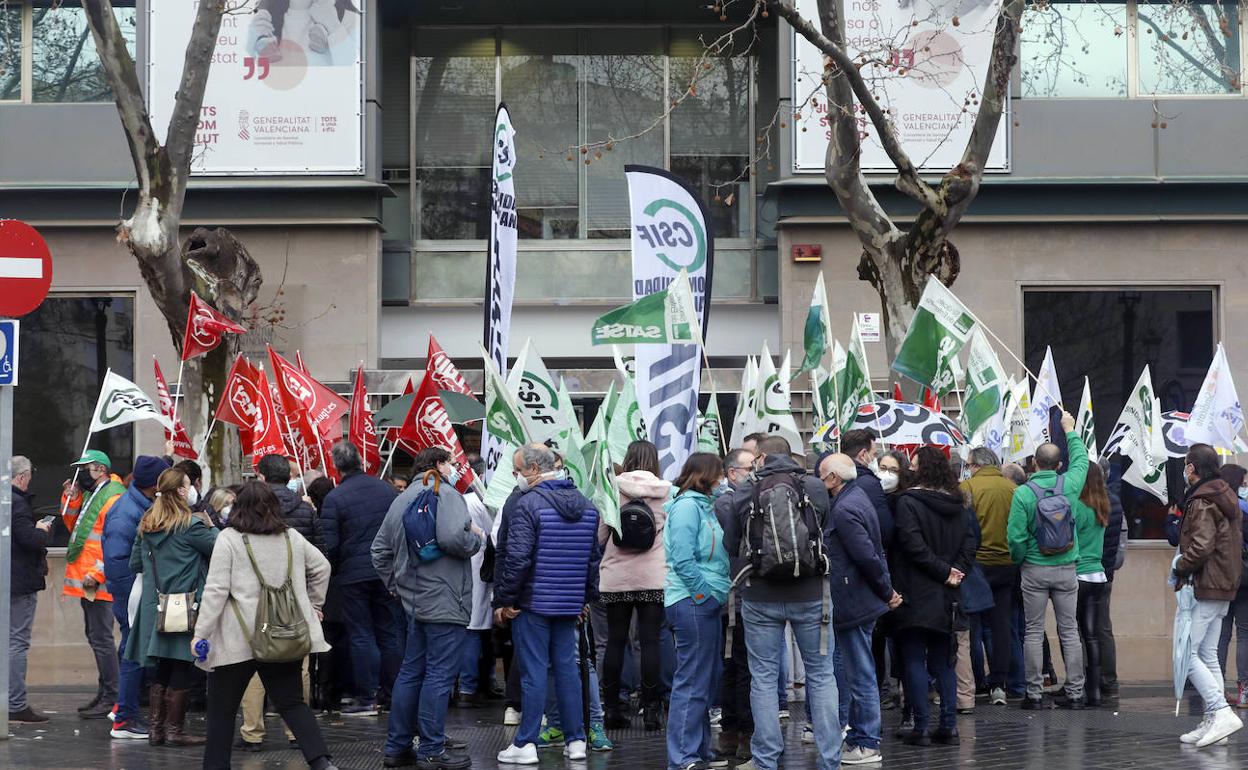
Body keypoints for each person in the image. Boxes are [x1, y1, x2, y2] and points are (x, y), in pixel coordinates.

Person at [193, 481, 337, 770]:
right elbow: (322, 567)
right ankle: (321, 762)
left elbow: (215, 591)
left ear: (238, 508)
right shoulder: (291, 537)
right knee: (293, 703)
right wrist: (313, 604)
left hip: (238, 639)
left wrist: (201, 634)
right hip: (284, 635)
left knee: (222, 711)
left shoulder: (229, 539)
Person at [717, 434, 838, 770]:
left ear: (761, 459)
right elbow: (823, 529)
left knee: (764, 679)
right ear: (792, 456)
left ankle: (766, 758)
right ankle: (831, 759)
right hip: (812, 592)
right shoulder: (814, 487)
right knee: (821, 675)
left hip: (760, 595)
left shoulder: (746, 489)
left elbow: (731, 543)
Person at [372, 447, 483, 769]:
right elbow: (453, 538)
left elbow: (379, 550)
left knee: (411, 672)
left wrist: (397, 586)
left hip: (415, 600)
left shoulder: (401, 498)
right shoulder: (444, 492)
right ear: (437, 465)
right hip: (447, 597)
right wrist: (474, 539)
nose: (452, 468)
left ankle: (397, 747)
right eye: (449, 462)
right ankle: (432, 749)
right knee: (438, 675)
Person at [494, 444, 602, 766]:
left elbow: (517, 558)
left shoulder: (528, 506)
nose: (516, 476)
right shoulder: (586, 505)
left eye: (518, 470)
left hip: (533, 602)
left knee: (534, 672)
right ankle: (576, 739)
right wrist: (584, 599)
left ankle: (526, 742)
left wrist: (505, 600)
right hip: (569, 603)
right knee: (568, 670)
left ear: (535, 470)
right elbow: (592, 561)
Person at [889, 446, 975, 746]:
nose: (909, 469)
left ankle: (922, 726)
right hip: (948, 595)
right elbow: (970, 544)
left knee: (913, 658)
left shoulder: (907, 502)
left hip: (915, 591)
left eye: (913, 465)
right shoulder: (960, 503)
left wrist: (944, 571)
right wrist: (955, 572)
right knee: (943, 661)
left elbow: (912, 545)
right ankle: (949, 725)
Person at [127, 467, 218, 746]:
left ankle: (156, 730)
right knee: (181, 664)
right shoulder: (191, 526)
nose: (191, 489)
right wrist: (211, 524)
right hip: (185, 604)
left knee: (162, 667)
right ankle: (175, 731)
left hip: (156, 605)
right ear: (180, 491)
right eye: (188, 484)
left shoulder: (147, 524)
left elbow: (135, 564)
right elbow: (222, 550)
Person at [820, 453, 900, 765]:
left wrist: (887, 590)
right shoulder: (857, 498)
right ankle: (859, 738)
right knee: (859, 670)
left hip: (855, 599)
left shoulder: (845, 508)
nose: (820, 480)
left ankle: (867, 741)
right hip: (860, 597)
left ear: (834, 479)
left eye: (823, 474)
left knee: (861, 673)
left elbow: (867, 555)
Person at [1007, 411, 1087, 710]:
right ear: (1059, 465)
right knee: (1069, 631)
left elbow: (1015, 538)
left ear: (1034, 464)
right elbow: (1082, 460)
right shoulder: (1070, 483)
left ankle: (1034, 694)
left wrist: (1021, 559)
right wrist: (1070, 429)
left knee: (1032, 630)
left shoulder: (1023, 493)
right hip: (1067, 568)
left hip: (1034, 569)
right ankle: (1076, 693)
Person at [320, 441, 403, 717]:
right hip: (386, 572)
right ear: (360, 460)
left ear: (336, 465)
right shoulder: (387, 490)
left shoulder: (335, 497)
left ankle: (367, 696)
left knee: (361, 635)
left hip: (353, 576)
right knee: (389, 633)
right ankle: (393, 694)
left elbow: (330, 544)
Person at [663, 452, 731, 770]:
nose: (723, 480)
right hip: (692, 601)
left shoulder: (703, 506)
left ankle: (698, 750)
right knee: (692, 680)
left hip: (702, 600)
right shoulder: (689, 507)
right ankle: (683, 756)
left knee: (702, 680)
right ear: (706, 476)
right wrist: (705, 594)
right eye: (720, 474)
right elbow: (683, 558)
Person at [1174, 444, 1245, 747]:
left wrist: (1180, 566)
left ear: (1192, 468)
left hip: (1205, 584)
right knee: (1207, 656)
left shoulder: (1202, 500)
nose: (1184, 470)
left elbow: (1201, 545)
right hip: (1223, 585)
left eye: (1186, 465)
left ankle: (1219, 711)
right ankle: (1215, 722)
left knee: (1187, 656)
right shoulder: (1224, 495)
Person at [599, 440, 671, 731]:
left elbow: (600, 536)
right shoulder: (666, 492)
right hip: (653, 575)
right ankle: (652, 709)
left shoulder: (612, 489)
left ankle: (613, 708)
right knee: (651, 641)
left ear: (627, 459)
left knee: (615, 641)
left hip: (616, 577)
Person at [102, 454, 171, 739]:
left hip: (135, 593)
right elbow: (118, 562)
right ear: (153, 484)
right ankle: (125, 719)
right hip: (132, 595)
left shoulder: (140, 506)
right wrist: (137, 598)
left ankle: (123, 706)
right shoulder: (126, 513)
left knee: (129, 650)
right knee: (133, 651)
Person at [60, 449, 126, 720]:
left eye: (84, 469)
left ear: (99, 469)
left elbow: (113, 541)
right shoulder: (95, 494)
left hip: (96, 581)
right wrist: (71, 497)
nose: (80, 475)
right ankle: (105, 693)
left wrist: (97, 573)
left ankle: (112, 696)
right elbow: (75, 527)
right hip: (89, 580)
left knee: (101, 639)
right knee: (96, 637)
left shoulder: (112, 496)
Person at [960, 446, 1018, 706]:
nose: (968, 468)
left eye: (969, 464)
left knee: (971, 626)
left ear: (976, 465)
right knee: (1001, 625)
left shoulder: (968, 488)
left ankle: (976, 681)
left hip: (977, 565)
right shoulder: (1012, 488)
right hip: (1007, 564)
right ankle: (1000, 683)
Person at [717, 448, 756, 760]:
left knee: (733, 667)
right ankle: (743, 732)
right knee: (741, 668)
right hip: (738, 597)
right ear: (733, 473)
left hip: (733, 596)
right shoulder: (732, 503)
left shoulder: (728, 501)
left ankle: (732, 732)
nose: (754, 472)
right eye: (749, 467)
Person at [9, 456, 51, 725]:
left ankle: (10, 700)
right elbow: (29, 539)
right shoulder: (18, 504)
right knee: (17, 643)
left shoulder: (7, 501)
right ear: (22, 477)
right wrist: (42, 529)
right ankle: (16, 704)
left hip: (9, 581)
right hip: (20, 583)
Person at [1073, 461, 1110, 707]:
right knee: (1092, 634)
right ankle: (1095, 689)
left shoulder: (1077, 506)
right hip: (1098, 574)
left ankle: (1076, 685)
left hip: (1079, 573)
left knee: (1073, 634)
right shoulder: (1103, 505)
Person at [1217, 463, 1248, 706]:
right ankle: (1244, 690)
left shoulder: (1216, 507)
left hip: (1223, 576)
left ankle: (1216, 689)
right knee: (1244, 634)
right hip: (1245, 577)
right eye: (1245, 482)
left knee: (1222, 634)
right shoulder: (1245, 511)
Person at [257, 453, 327, 553]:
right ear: (289, 477)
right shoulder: (307, 510)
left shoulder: (250, 508)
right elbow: (321, 550)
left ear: (263, 477)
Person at [1099, 462, 1126, 698]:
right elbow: (1120, 541)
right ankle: (1108, 680)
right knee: (1102, 626)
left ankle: (1090, 680)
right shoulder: (1115, 501)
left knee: (1081, 628)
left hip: (1088, 571)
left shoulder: (1085, 501)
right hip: (1106, 571)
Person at [841, 429, 894, 545]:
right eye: (873, 454)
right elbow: (884, 529)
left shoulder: (832, 476)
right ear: (863, 454)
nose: (874, 459)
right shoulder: (869, 483)